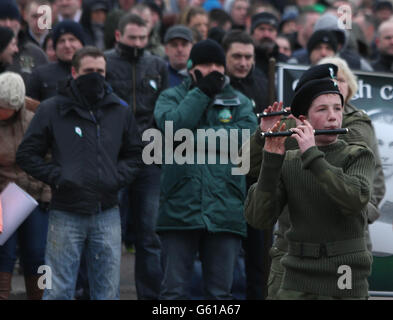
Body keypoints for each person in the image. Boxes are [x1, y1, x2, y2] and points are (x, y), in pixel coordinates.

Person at [245, 61, 385, 299]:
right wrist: (269, 150)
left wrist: (311, 154)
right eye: (322, 110)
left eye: (337, 109)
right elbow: (259, 218)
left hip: (344, 269)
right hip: (296, 265)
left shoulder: (357, 152)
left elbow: (355, 198)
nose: (332, 117)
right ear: (303, 119)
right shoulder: (289, 159)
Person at [16, 46, 143, 300]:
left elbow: (136, 153)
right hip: (65, 211)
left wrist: (115, 179)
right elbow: (26, 154)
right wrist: (58, 176)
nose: (95, 76)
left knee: (106, 292)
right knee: (59, 291)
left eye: (100, 71)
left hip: (106, 211)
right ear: (74, 72)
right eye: (88, 71)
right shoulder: (51, 109)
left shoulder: (120, 110)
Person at [154, 39, 257, 299]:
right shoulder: (171, 97)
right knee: (173, 293)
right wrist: (200, 93)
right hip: (180, 206)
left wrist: (192, 139)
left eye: (217, 65)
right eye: (205, 64)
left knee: (220, 294)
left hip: (225, 206)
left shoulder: (240, 101)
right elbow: (171, 129)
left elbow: (246, 138)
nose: (213, 70)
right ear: (191, 68)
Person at [105, 13, 168, 300]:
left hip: (150, 157)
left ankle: (151, 298)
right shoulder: (104, 63)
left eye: (143, 38)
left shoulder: (157, 65)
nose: (138, 43)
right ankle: (105, 293)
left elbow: (165, 110)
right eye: (133, 38)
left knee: (150, 235)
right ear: (118, 36)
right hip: (113, 157)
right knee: (107, 235)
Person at [222, 30, 269, 299]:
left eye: (248, 57)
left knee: (258, 259)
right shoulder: (215, 88)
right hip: (223, 184)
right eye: (236, 56)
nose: (243, 62)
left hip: (256, 184)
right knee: (222, 263)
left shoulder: (264, 86)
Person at [0, 72, 51, 300]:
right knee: (4, 253)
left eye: (8, 107)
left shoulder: (37, 116)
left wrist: (47, 193)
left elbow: (51, 158)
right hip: (3, 196)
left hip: (35, 193)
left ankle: (41, 296)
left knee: (38, 254)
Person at [26, 20, 85, 102]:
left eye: (72, 39)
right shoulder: (40, 75)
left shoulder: (93, 70)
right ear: (55, 47)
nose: (67, 45)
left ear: (82, 44)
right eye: (61, 41)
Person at [0, 0, 48, 83]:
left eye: (12, 19)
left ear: (19, 22)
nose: (8, 24)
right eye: (2, 19)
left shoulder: (35, 53)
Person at [250, 12, 288, 76]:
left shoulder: (285, 62)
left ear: (276, 34)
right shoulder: (247, 61)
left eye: (271, 30)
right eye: (261, 29)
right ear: (253, 32)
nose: (266, 35)